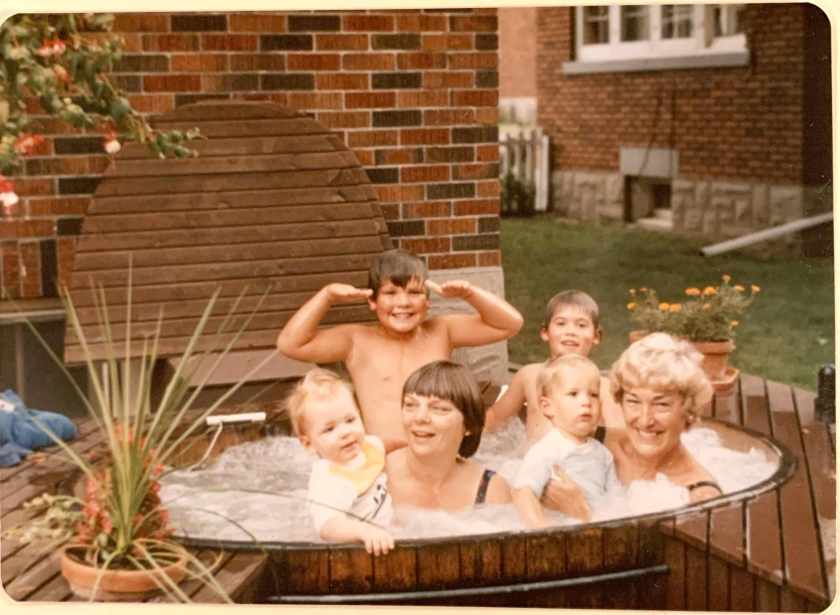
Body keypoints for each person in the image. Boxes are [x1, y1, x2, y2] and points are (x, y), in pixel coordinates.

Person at [277, 248, 524, 448]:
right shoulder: (356, 340)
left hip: (437, 456)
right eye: (391, 293)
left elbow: (510, 324)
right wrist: (327, 296)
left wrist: (470, 294)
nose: (403, 303)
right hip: (385, 462)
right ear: (372, 301)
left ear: (428, 301)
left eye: (414, 292)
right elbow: (291, 344)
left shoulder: (441, 331)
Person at [543, 333, 720, 518]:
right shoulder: (592, 441)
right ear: (620, 400)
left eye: (661, 404)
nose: (645, 420)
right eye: (633, 402)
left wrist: (579, 511)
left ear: (688, 409)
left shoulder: (699, 496)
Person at [485, 290, 622, 445]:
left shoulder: (601, 385)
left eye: (581, 325)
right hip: (536, 463)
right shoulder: (529, 375)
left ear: (596, 336)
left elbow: (618, 433)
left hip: (579, 463)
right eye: (561, 323)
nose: (570, 332)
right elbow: (495, 419)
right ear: (545, 333)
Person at [286, 367, 395, 555]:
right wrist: (364, 532)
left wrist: (412, 443)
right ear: (309, 444)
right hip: (354, 550)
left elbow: (385, 444)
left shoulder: (366, 446)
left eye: (350, 420)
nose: (345, 432)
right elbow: (328, 526)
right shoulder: (330, 480)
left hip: (384, 534)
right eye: (329, 429)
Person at [511, 354, 621, 527]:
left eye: (593, 394)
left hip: (593, 527)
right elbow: (523, 492)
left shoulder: (602, 453)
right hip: (558, 531)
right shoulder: (548, 449)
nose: (586, 402)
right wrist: (542, 530)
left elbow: (616, 501)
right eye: (573, 394)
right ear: (548, 407)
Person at [385, 361, 511, 511]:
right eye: (410, 405)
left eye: (439, 409)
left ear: (469, 424)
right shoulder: (375, 474)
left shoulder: (490, 490)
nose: (419, 417)